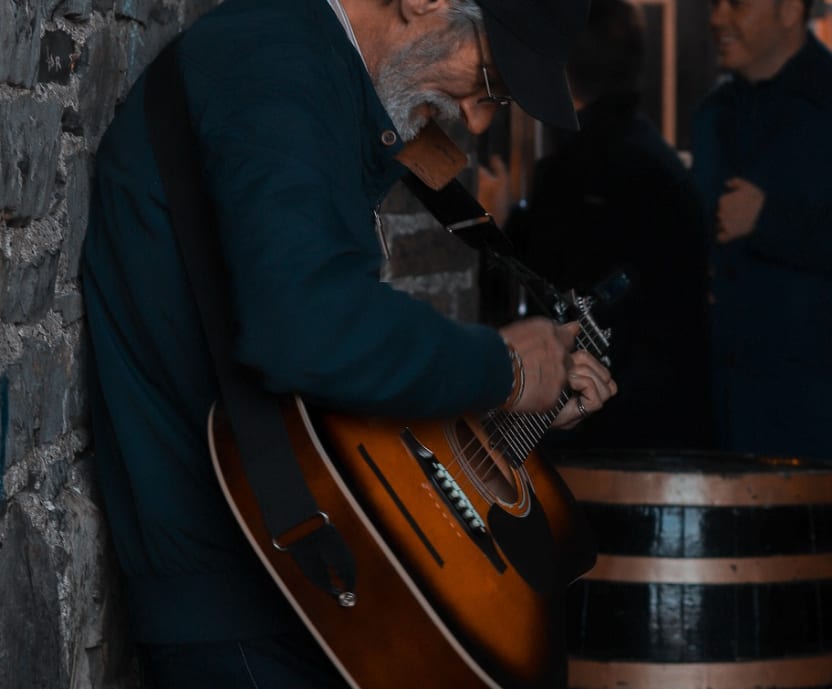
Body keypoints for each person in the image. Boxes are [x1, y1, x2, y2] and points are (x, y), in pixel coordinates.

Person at [80, 0, 618, 685]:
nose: (479, 119)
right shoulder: (273, 67)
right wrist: (505, 365)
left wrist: (505, 408)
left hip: (299, 578)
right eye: (488, 78)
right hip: (242, 594)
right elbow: (305, 327)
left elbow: (329, 379)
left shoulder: (318, 78)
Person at [691, 1, 832, 687]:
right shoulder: (714, 114)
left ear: (791, 9)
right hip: (734, 415)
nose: (716, 17)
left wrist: (772, 220)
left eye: (735, 3)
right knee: (751, 609)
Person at [502, 0, 714, 451]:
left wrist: (500, 228)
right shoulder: (651, 154)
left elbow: (555, 297)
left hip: (605, 435)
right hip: (670, 423)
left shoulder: (585, 168)